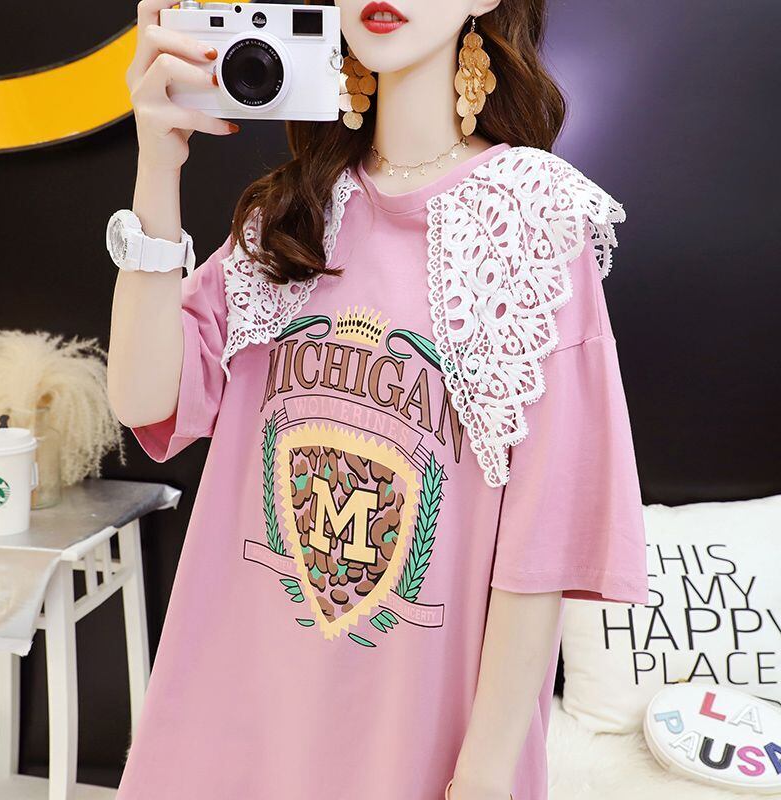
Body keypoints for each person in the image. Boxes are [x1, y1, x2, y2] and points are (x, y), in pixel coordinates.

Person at [106, 1, 649, 799]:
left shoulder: (532, 218)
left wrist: (485, 774)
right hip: (231, 717)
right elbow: (141, 393)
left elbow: (546, 533)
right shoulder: (287, 219)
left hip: (414, 743)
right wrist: (158, 164)